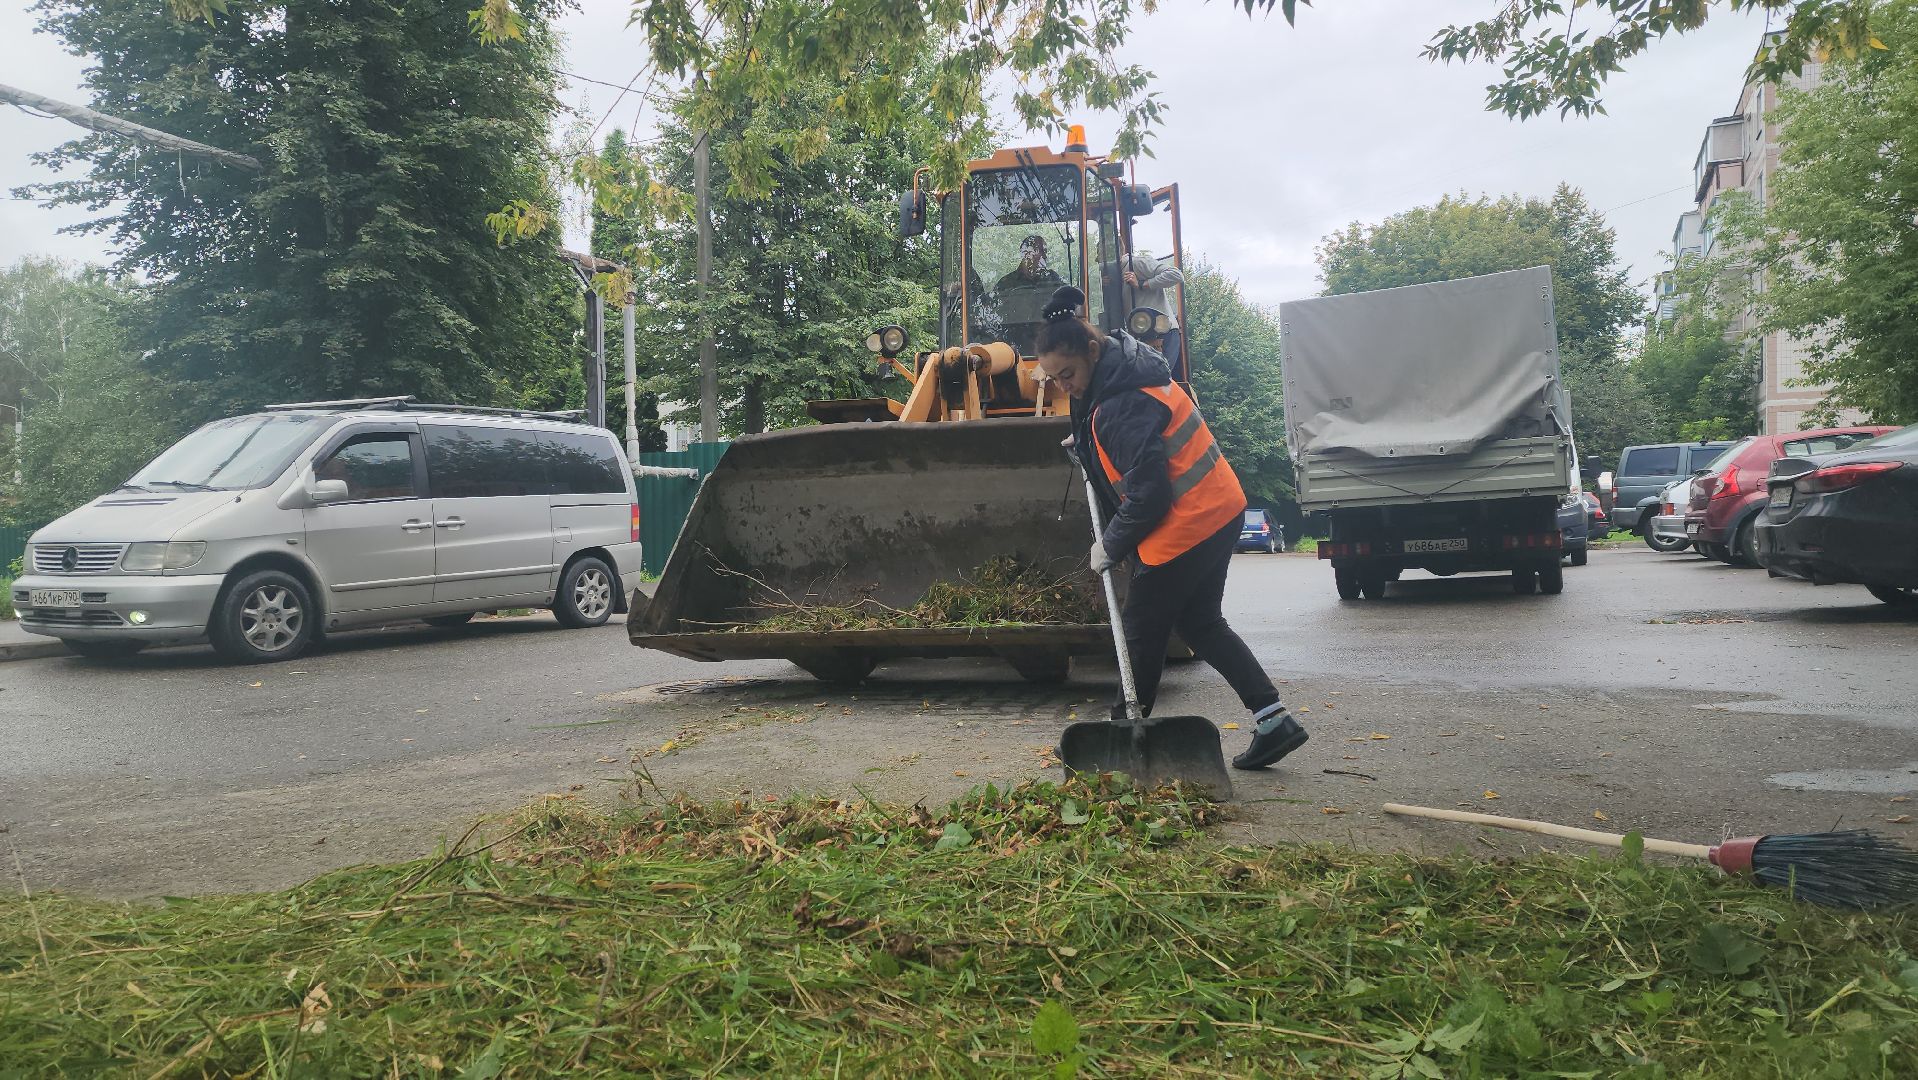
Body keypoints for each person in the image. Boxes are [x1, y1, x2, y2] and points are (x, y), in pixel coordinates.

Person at [1036, 285, 1307, 771]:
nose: (1064, 387)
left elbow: (1150, 494)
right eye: (1053, 379)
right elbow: (1129, 444)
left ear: (1093, 351)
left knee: (1143, 629)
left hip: (1185, 522)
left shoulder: (1122, 404)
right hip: (1220, 507)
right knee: (1201, 624)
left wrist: (1111, 545)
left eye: (1068, 374)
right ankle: (1274, 720)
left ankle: (1121, 734)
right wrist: (1086, 441)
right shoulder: (1126, 375)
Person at [1123, 250, 1185, 378]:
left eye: (1099, 253)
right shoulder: (1110, 276)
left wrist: (1142, 284)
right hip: (1138, 339)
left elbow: (1176, 275)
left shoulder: (1136, 263)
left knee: (1156, 381)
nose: (1096, 259)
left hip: (1162, 333)